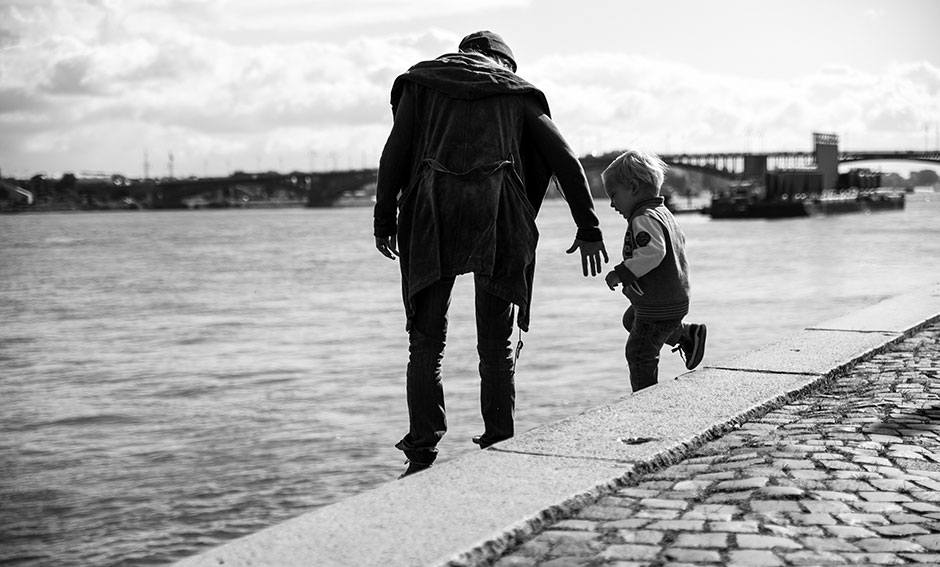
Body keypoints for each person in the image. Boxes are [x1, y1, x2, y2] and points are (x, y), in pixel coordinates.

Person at [374, 31, 608, 477]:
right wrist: (589, 228)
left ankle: (421, 451)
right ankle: (499, 441)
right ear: (505, 61)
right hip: (498, 215)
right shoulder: (516, 92)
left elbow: (394, 154)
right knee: (496, 346)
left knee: (425, 342)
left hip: (430, 217)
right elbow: (566, 161)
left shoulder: (421, 83)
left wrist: (384, 220)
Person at [602, 150, 706, 393]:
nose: (611, 204)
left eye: (614, 195)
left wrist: (622, 273)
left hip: (658, 304)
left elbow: (652, 253)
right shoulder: (663, 214)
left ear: (633, 187)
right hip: (672, 299)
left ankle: (644, 400)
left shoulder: (644, 218)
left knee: (639, 352)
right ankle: (687, 335)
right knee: (630, 319)